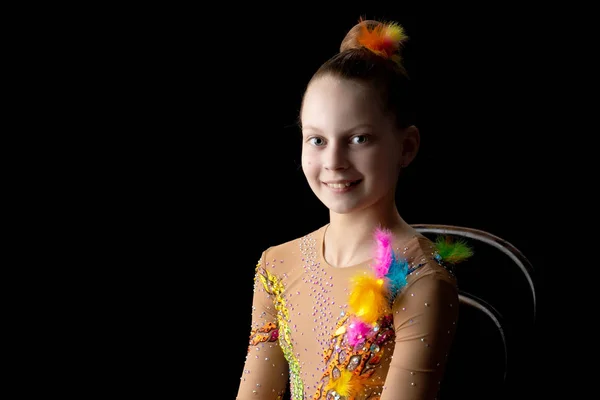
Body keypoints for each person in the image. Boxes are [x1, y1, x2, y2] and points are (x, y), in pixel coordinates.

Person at [237, 18, 472, 400]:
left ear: (406, 147)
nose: (333, 161)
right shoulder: (276, 266)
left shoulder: (420, 278)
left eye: (358, 138)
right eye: (316, 139)